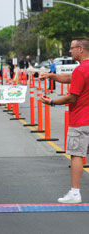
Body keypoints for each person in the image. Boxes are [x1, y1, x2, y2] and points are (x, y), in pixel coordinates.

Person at [39, 37, 89, 203]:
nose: (70, 51)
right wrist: (51, 76)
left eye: (72, 48)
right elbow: (70, 78)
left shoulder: (81, 70)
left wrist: (51, 102)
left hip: (81, 120)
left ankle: (75, 193)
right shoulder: (82, 70)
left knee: (76, 155)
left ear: (81, 49)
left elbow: (71, 98)